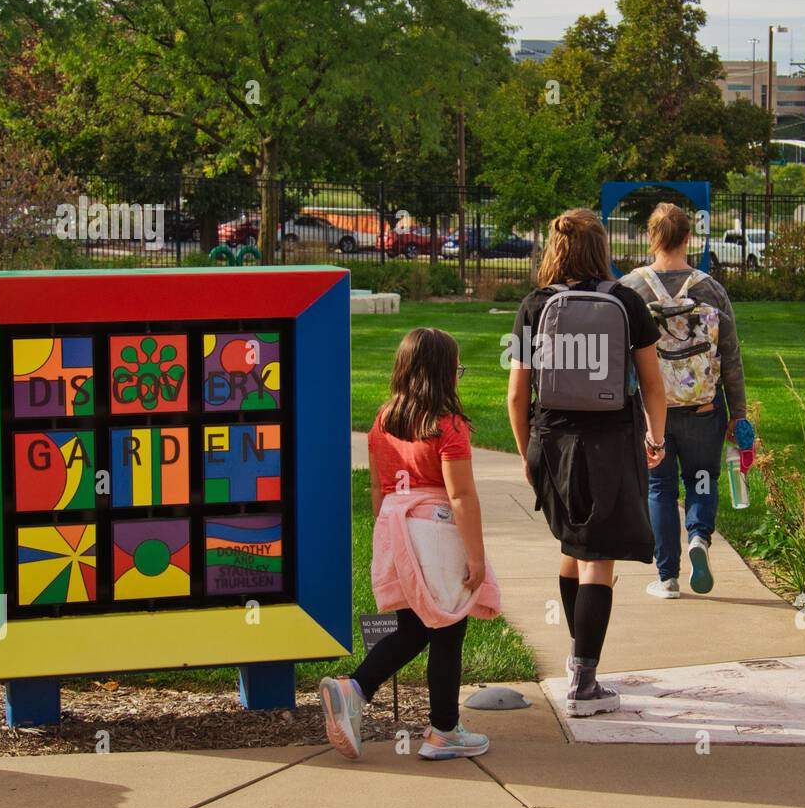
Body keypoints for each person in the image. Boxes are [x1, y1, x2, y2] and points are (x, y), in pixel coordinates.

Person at [506, 208, 667, 717]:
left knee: (572, 546)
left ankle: (581, 660)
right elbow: (652, 383)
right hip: (611, 441)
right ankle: (584, 683)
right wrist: (656, 438)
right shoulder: (627, 302)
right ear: (601, 248)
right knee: (599, 555)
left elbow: (516, 393)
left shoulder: (532, 306)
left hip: (551, 440)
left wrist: (526, 452)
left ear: (555, 250)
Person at [321, 327, 501, 761]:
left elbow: (380, 491)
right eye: (456, 369)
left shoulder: (383, 419)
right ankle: (444, 731)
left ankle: (356, 689)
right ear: (442, 374)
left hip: (396, 527)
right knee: (449, 629)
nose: (459, 376)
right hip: (436, 530)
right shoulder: (448, 425)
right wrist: (476, 556)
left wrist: (392, 540)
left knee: (415, 628)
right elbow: (460, 495)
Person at [620, 202, 748, 599]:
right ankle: (699, 539)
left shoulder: (630, 288)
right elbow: (730, 355)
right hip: (704, 407)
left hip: (651, 410)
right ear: (688, 238)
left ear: (650, 238)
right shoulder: (710, 288)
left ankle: (667, 578)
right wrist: (738, 413)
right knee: (702, 480)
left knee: (659, 488)